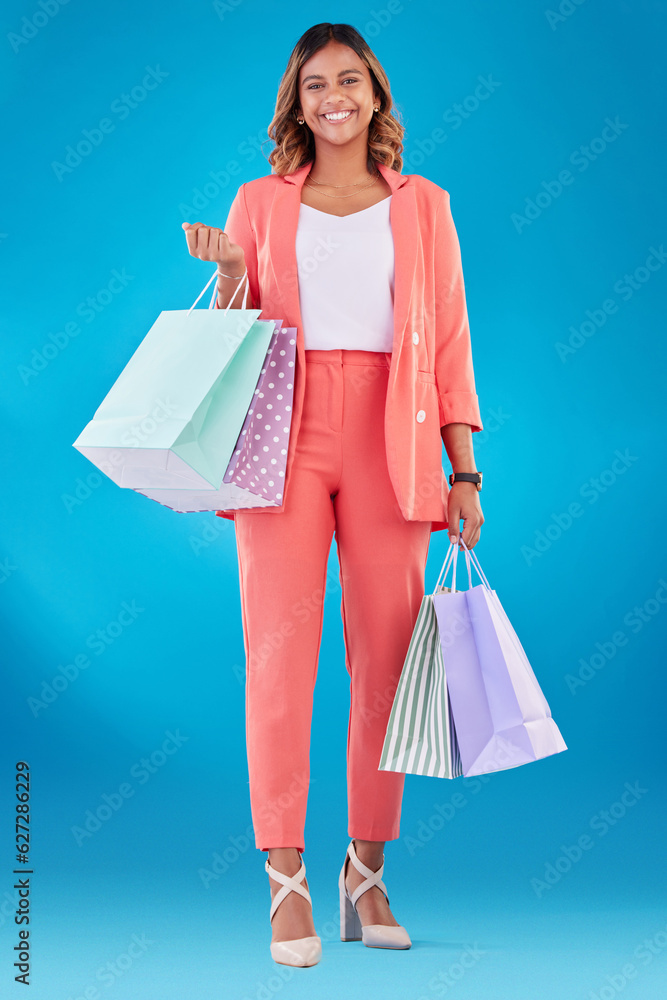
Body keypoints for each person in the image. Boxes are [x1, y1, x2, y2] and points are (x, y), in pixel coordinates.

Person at [182, 22, 484, 968]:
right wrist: (232, 272)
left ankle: (365, 871)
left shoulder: (425, 206)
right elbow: (231, 342)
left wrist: (462, 468)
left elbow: (451, 346)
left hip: (392, 441)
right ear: (297, 101)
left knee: (386, 672)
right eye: (315, 85)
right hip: (287, 434)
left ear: (374, 94)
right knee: (277, 661)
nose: (333, 97)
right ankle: (283, 883)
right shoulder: (260, 204)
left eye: (349, 81)